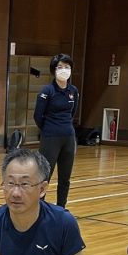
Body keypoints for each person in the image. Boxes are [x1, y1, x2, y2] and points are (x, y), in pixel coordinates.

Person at [34, 53, 79, 209]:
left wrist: (64, 126)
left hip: (68, 137)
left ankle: (61, 208)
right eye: (60, 67)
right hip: (50, 137)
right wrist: (49, 129)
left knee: (65, 177)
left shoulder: (73, 91)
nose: (64, 70)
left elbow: (73, 113)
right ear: (54, 70)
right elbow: (37, 115)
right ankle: (40, 207)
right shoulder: (47, 90)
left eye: (67, 67)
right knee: (45, 175)